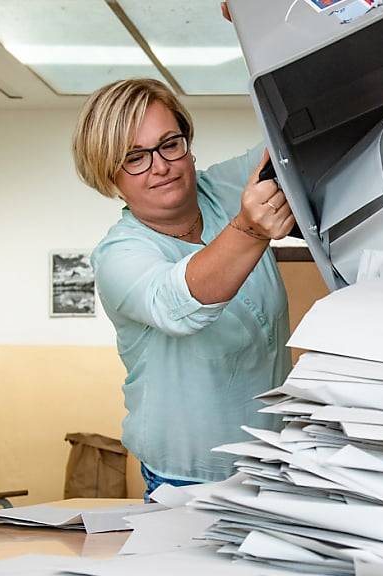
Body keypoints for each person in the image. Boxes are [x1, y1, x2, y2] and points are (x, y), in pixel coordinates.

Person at [72, 79, 295, 499]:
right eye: (134, 157)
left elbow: (292, 137)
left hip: (274, 465)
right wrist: (249, 230)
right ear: (108, 174)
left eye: (169, 144)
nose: (160, 166)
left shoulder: (224, 190)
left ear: (187, 144)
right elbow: (178, 306)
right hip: (186, 480)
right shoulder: (119, 255)